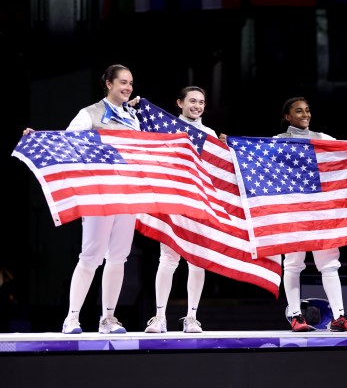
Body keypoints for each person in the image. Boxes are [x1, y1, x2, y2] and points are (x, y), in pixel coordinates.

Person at [23, 64, 142, 334]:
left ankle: (108, 318)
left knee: (119, 257)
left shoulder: (132, 118)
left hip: (126, 194)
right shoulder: (89, 113)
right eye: (123, 82)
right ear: (108, 84)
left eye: (131, 83)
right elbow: (66, 142)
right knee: (91, 256)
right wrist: (39, 138)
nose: (128, 88)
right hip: (99, 194)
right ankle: (72, 318)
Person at [275, 96, 347, 332]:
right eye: (298, 111)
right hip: (292, 209)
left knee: (329, 263)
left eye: (307, 110)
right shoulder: (276, 142)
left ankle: (339, 317)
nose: (305, 115)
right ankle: (295, 316)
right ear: (287, 117)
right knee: (293, 263)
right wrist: (231, 143)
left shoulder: (323, 139)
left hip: (320, 210)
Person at [142, 86, 226, 333]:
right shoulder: (167, 128)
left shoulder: (209, 134)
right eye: (192, 101)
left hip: (199, 203)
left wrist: (224, 148)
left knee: (196, 261)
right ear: (179, 103)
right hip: (174, 200)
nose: (197, 106)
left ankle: (192, 316)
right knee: (168, 259)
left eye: (201, 102)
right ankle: (159, 317)